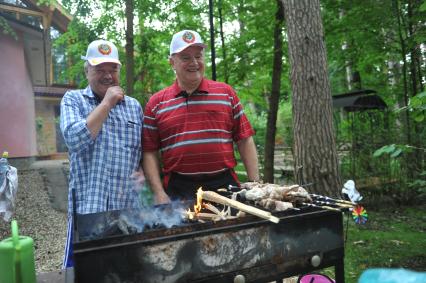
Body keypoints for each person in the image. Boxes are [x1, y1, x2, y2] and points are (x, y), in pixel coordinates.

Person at [143, 30, 259, 205]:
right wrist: (158, 192)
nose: (194, 63)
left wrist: (254, 183)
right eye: (186, 58)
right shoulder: (156, 102)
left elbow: (244, 139)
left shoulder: (226, 93)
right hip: (178, 190)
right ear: (172, 62)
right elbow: (149, 151)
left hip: (224, 185)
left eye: (198, 56)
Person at [60, 39, 144, 268]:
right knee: (88, 272)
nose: (108, 76)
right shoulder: (72, 100)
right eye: (99, 70)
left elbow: (143, 151)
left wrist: (142, 171)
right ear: (87, 70)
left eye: (113, 70)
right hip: (89, 211)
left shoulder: (134, 106)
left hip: (127, 211)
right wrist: (107, 103)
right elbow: (74, 140)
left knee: (126, 271)